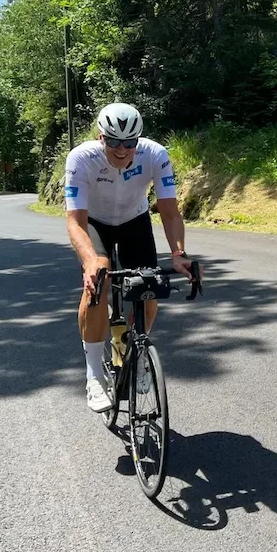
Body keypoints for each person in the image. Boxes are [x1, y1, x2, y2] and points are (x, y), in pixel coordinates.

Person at [64, 102, 192, 412]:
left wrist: (178, 253)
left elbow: (170, 212)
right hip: (95, 222)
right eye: (115, 142)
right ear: (101, 137)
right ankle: (94, 373)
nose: (123, 150)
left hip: (134, 220)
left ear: (139, 140)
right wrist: (90, 260)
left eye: (130, 142)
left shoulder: (155, 155)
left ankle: (137, 354)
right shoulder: (81, 159)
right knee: (100, 277)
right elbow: (75, 221)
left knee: (148, 287)